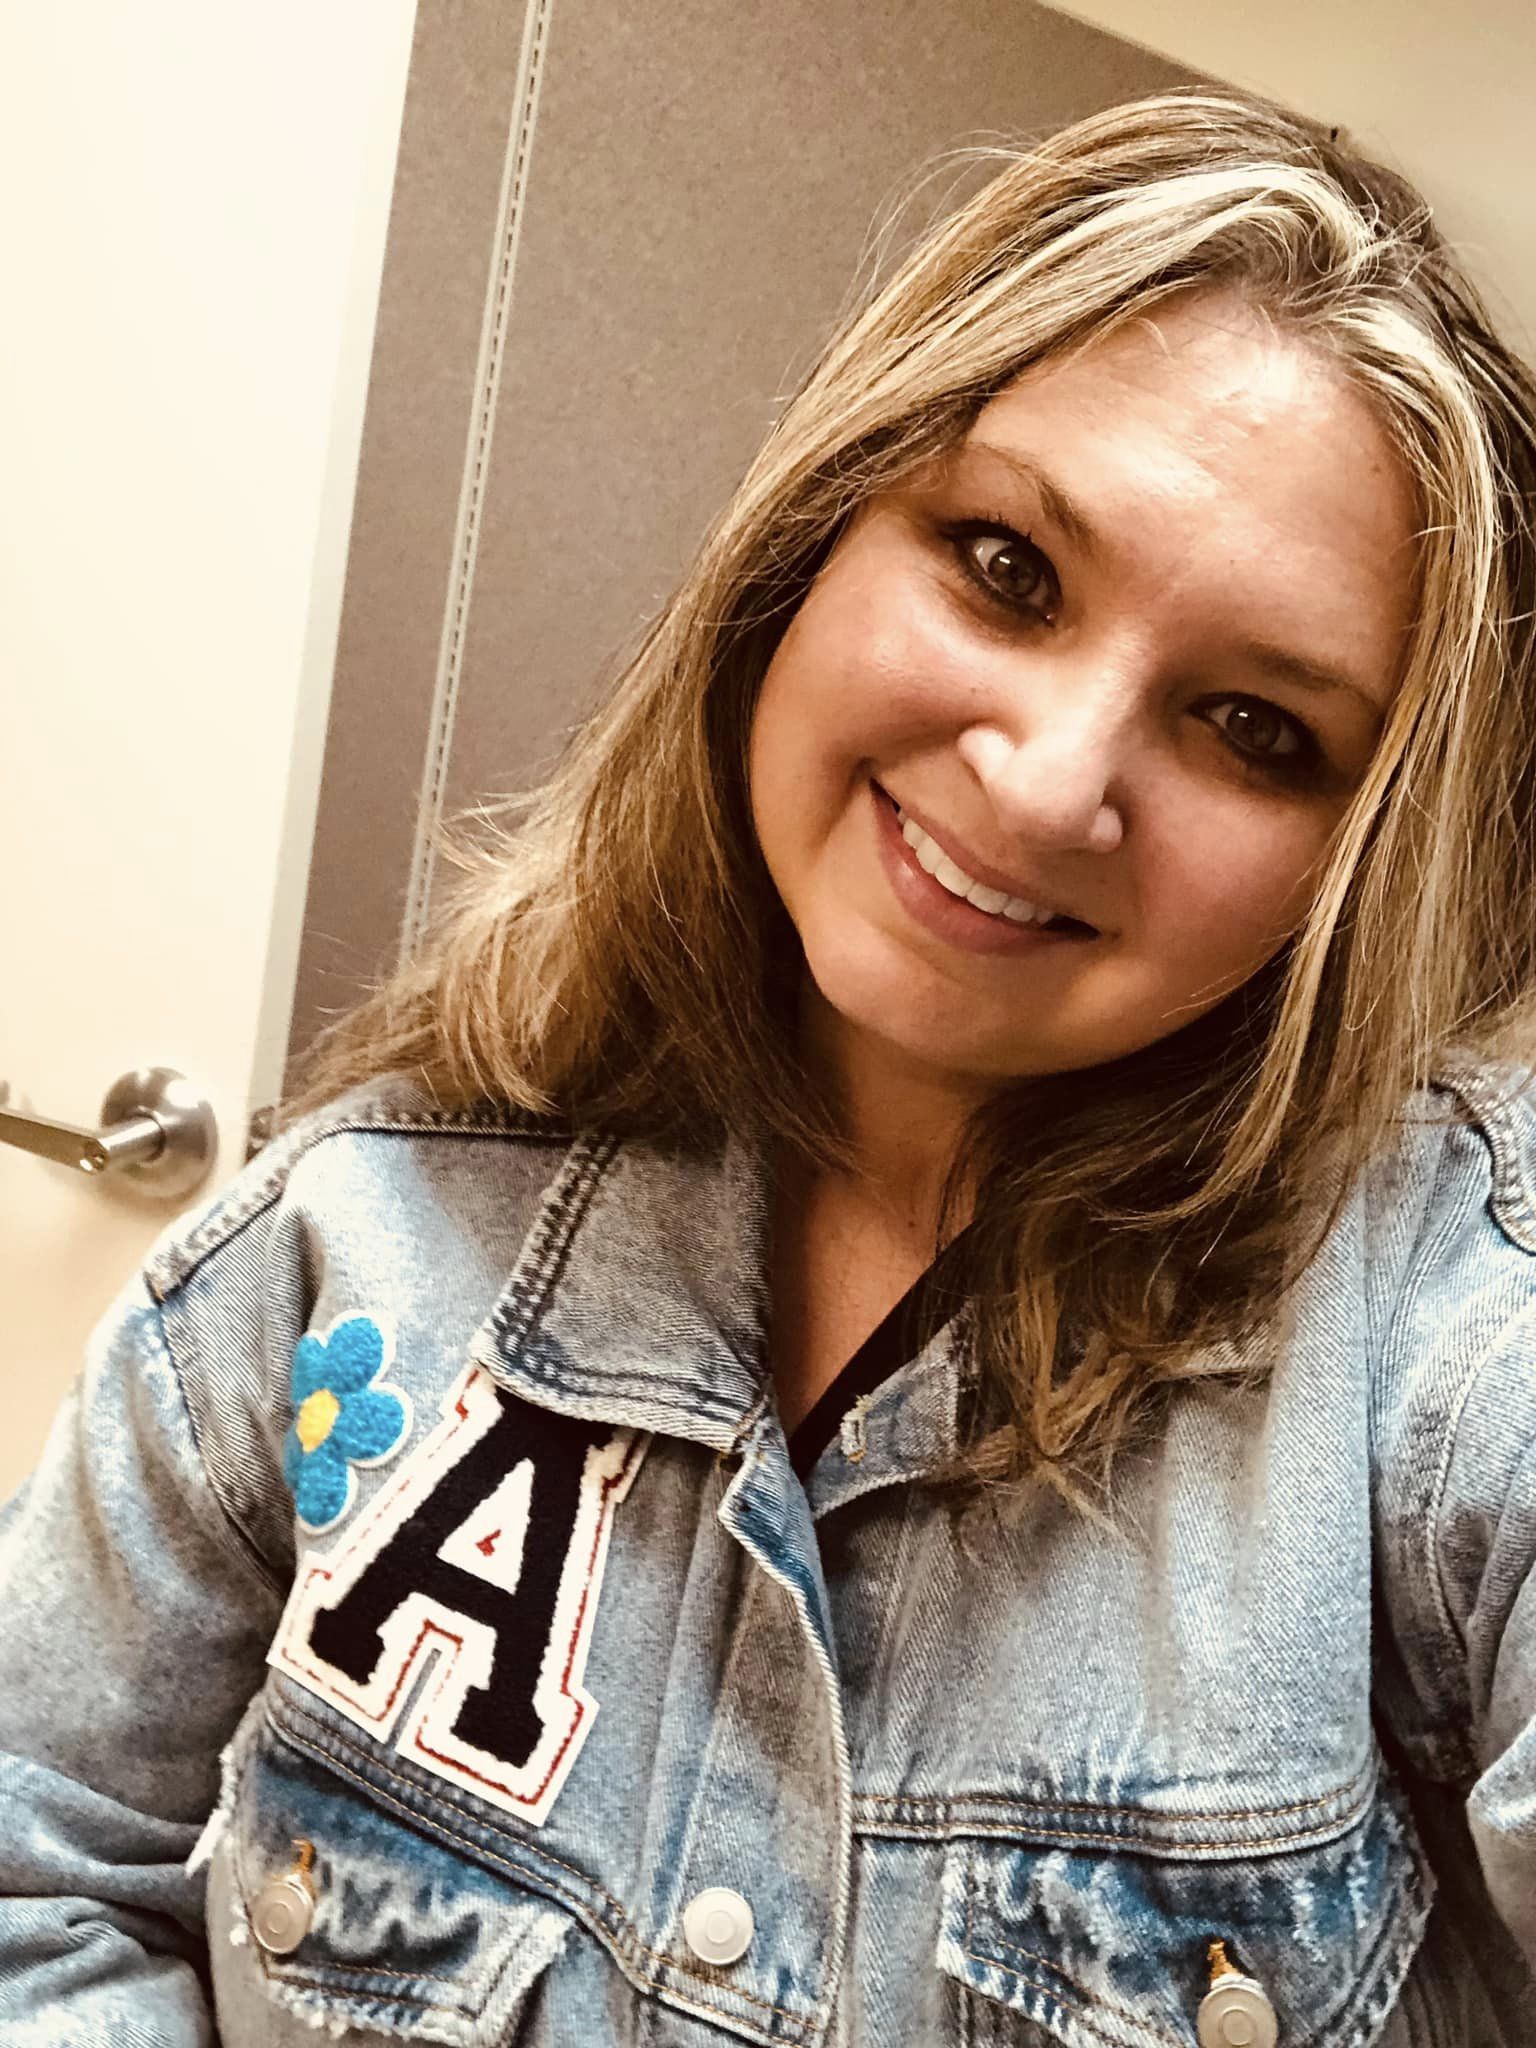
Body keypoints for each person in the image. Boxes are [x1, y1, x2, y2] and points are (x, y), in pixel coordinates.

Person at [4, 84, 1536, 2048]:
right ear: (818, 537)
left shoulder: (1445, 1357)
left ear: (1354, 862)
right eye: (1006, 567)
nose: (1053, 780)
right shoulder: (340, 1249)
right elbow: (35, 1870)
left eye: (1252, 725)